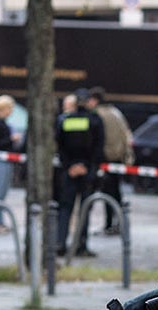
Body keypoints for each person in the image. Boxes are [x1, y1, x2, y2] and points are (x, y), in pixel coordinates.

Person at [55, 90, 104, 257]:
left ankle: (60, 243)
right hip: (87, 171)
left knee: (65, 208)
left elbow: (60, 146)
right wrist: (88, 168)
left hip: (70, 171)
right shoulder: (95, 121)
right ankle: (81, 245)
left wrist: (69, 166)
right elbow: (98, 148)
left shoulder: (66, 121)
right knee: (84, 209)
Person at [85, 87, 134, 236]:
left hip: (104, 159)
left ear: (94, 100)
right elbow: (126, 135)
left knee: (104, 194)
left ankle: (108, 224)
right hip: (117, 159)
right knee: (115, 193)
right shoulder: (116, 113)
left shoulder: (97, 115)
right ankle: (118, 223)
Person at [0, 95, 21, 235]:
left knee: (2, 193)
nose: (11, 111)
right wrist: (10, 139)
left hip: (6, 161)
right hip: (0, 161)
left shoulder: (5, 124)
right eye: (9, 108)